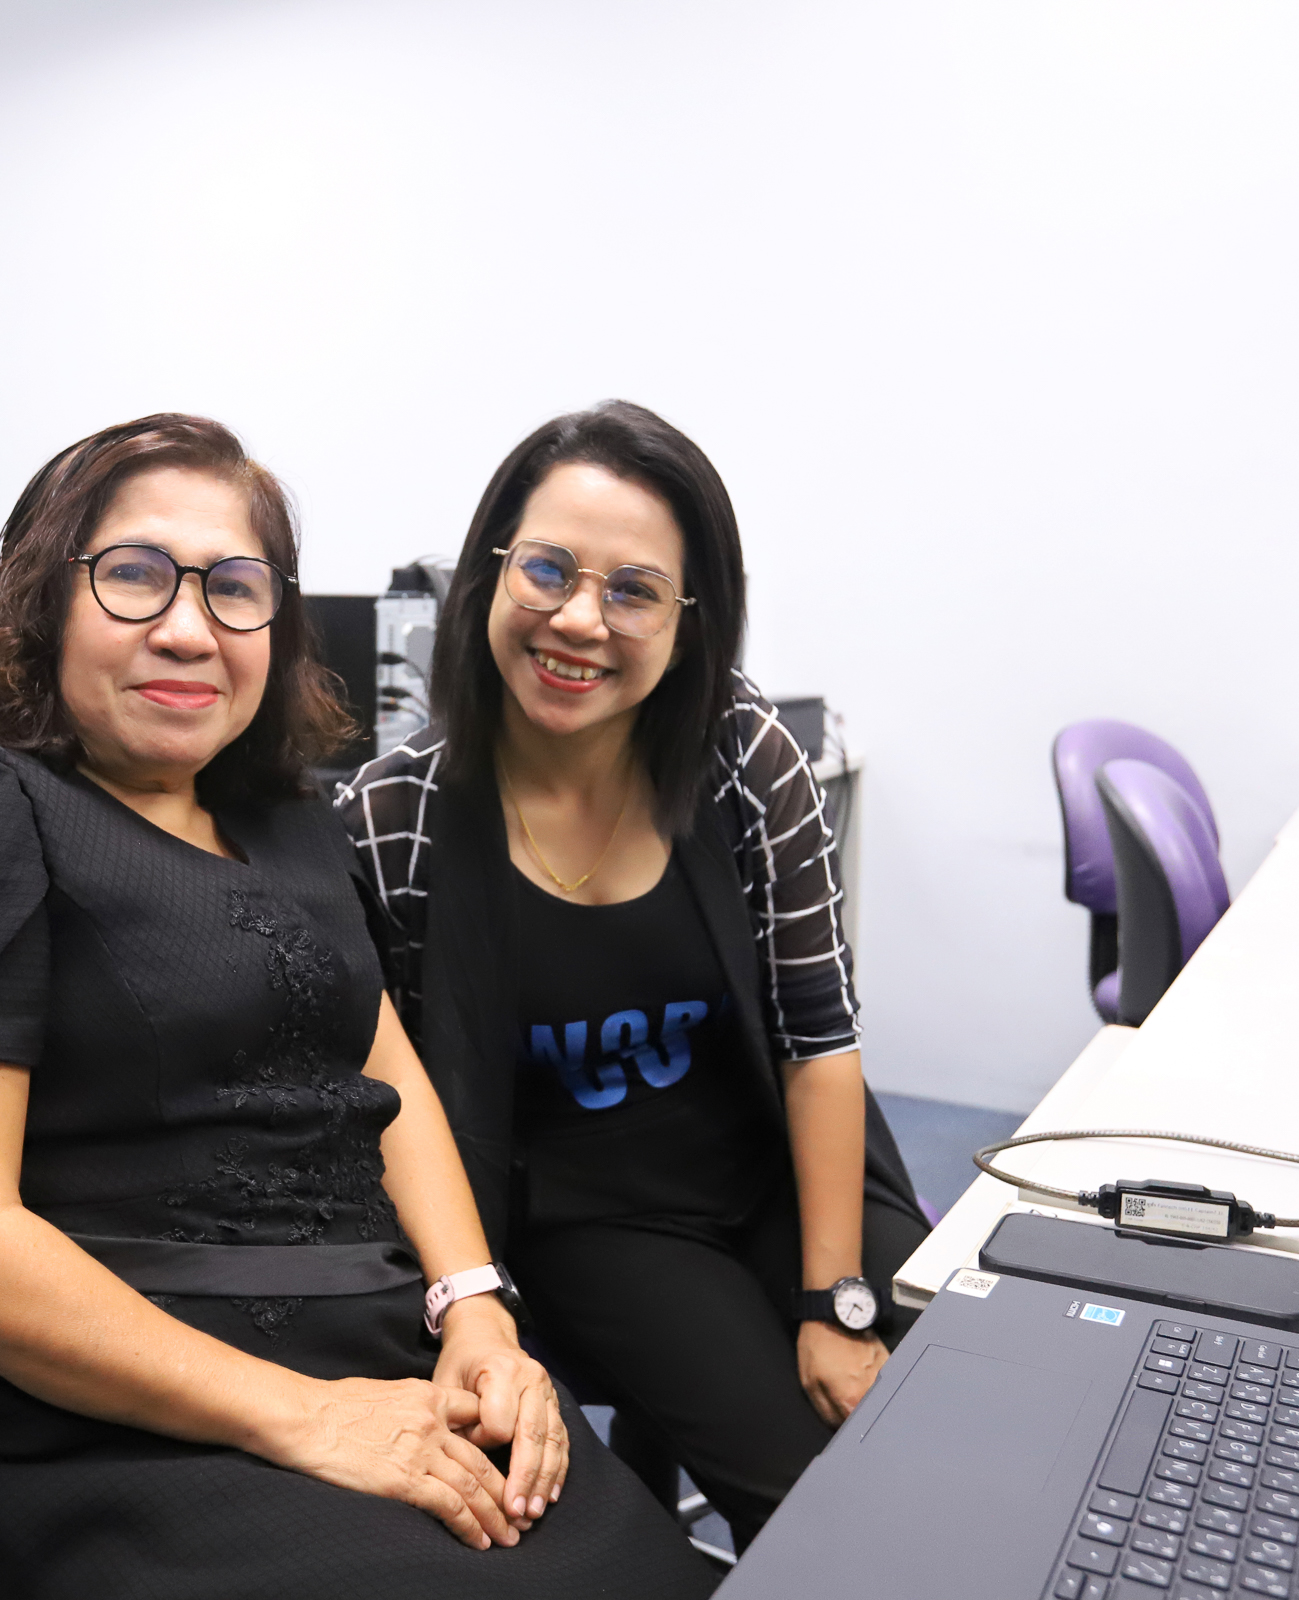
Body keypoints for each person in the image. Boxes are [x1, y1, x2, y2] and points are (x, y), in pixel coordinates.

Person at [0, 415, 716, 1599]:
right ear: (40, 599)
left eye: (234, 588)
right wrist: (307, 1417)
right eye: (134, 574)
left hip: (370, 1353)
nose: (189, 628)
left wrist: (477, 1313)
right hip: (97, 1417)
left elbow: (387, 1077)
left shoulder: (287, 823)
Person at [337, 400, 930, 1549]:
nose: (579, 619)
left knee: (983, 1383)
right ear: (491, 570)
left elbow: (817, 1036)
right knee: (824, 1510)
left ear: (690, 620)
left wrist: (833, 1300)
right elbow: (398, 1100)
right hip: (598, 1217)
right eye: (547, 569)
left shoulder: (741, 754)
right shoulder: (393, 817)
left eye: (635, 591)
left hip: (781, 1163)